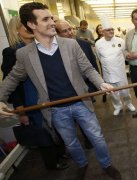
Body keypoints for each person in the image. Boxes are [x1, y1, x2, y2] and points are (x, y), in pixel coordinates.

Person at [0, 2, 121, 179]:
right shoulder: (25, 54)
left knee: (98, 138)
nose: (52, 22)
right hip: (56, 110)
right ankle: (82, 165)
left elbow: (88, 69)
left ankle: (106, 164)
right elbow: (11, 79)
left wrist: (101, 83)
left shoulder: (70, 45)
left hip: (81, 103)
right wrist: (0, 99)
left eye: (51, 18)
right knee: (71, 143)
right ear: (31, 25)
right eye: (46, 19)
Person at [1, 16, 68, 170]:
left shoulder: (39, 47)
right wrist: (20, 108)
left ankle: (60, 153)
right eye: (25, 26)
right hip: (31, 100)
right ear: (16, 30)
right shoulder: (11, 52)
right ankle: (52, 163)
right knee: (42, 131)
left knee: (56, 126)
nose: (30, 28)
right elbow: (12, 82)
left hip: (49, 96)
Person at [55, 19, 98, 149]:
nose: (70, 33)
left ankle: (89, 139)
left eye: (71, 29)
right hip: (66, 93)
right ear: (57, 34)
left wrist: (92, 88)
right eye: (65, 31)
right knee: (70, 123)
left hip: (84, 89)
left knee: (89, 122)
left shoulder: (84, 45)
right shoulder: (56, 50)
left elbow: (92, 66)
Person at [95, 20, 136, 116]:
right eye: (108, 30)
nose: (111, 31)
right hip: (108, 72)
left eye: (112, 29)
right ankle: (118, 106)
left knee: (125, 91)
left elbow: (124, 54)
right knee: (113, 93)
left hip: (120, 72)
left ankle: (128, 103)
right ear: (103, 32)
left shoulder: (120, 41)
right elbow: (99, 57)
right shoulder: (98, 43)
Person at [95, 23, 107, 103]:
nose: (100, 29)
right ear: (97, 31)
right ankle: (104, 93)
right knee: (104, 77)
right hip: (102, 61)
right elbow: (97, 54)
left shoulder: (108, 38)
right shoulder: (96, 41)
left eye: (101, 28)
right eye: (99, 28)